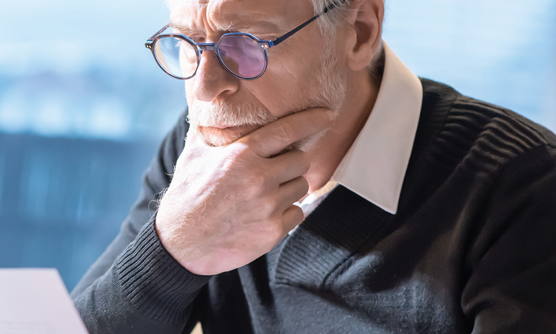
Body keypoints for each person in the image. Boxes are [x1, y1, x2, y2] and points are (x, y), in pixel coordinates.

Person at [70, 0, 556, 332]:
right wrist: (173, 250)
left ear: (360, 32)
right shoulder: (199, 152)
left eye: (244, 44)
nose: (204, 87)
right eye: (186, 44)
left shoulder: (525, 189)